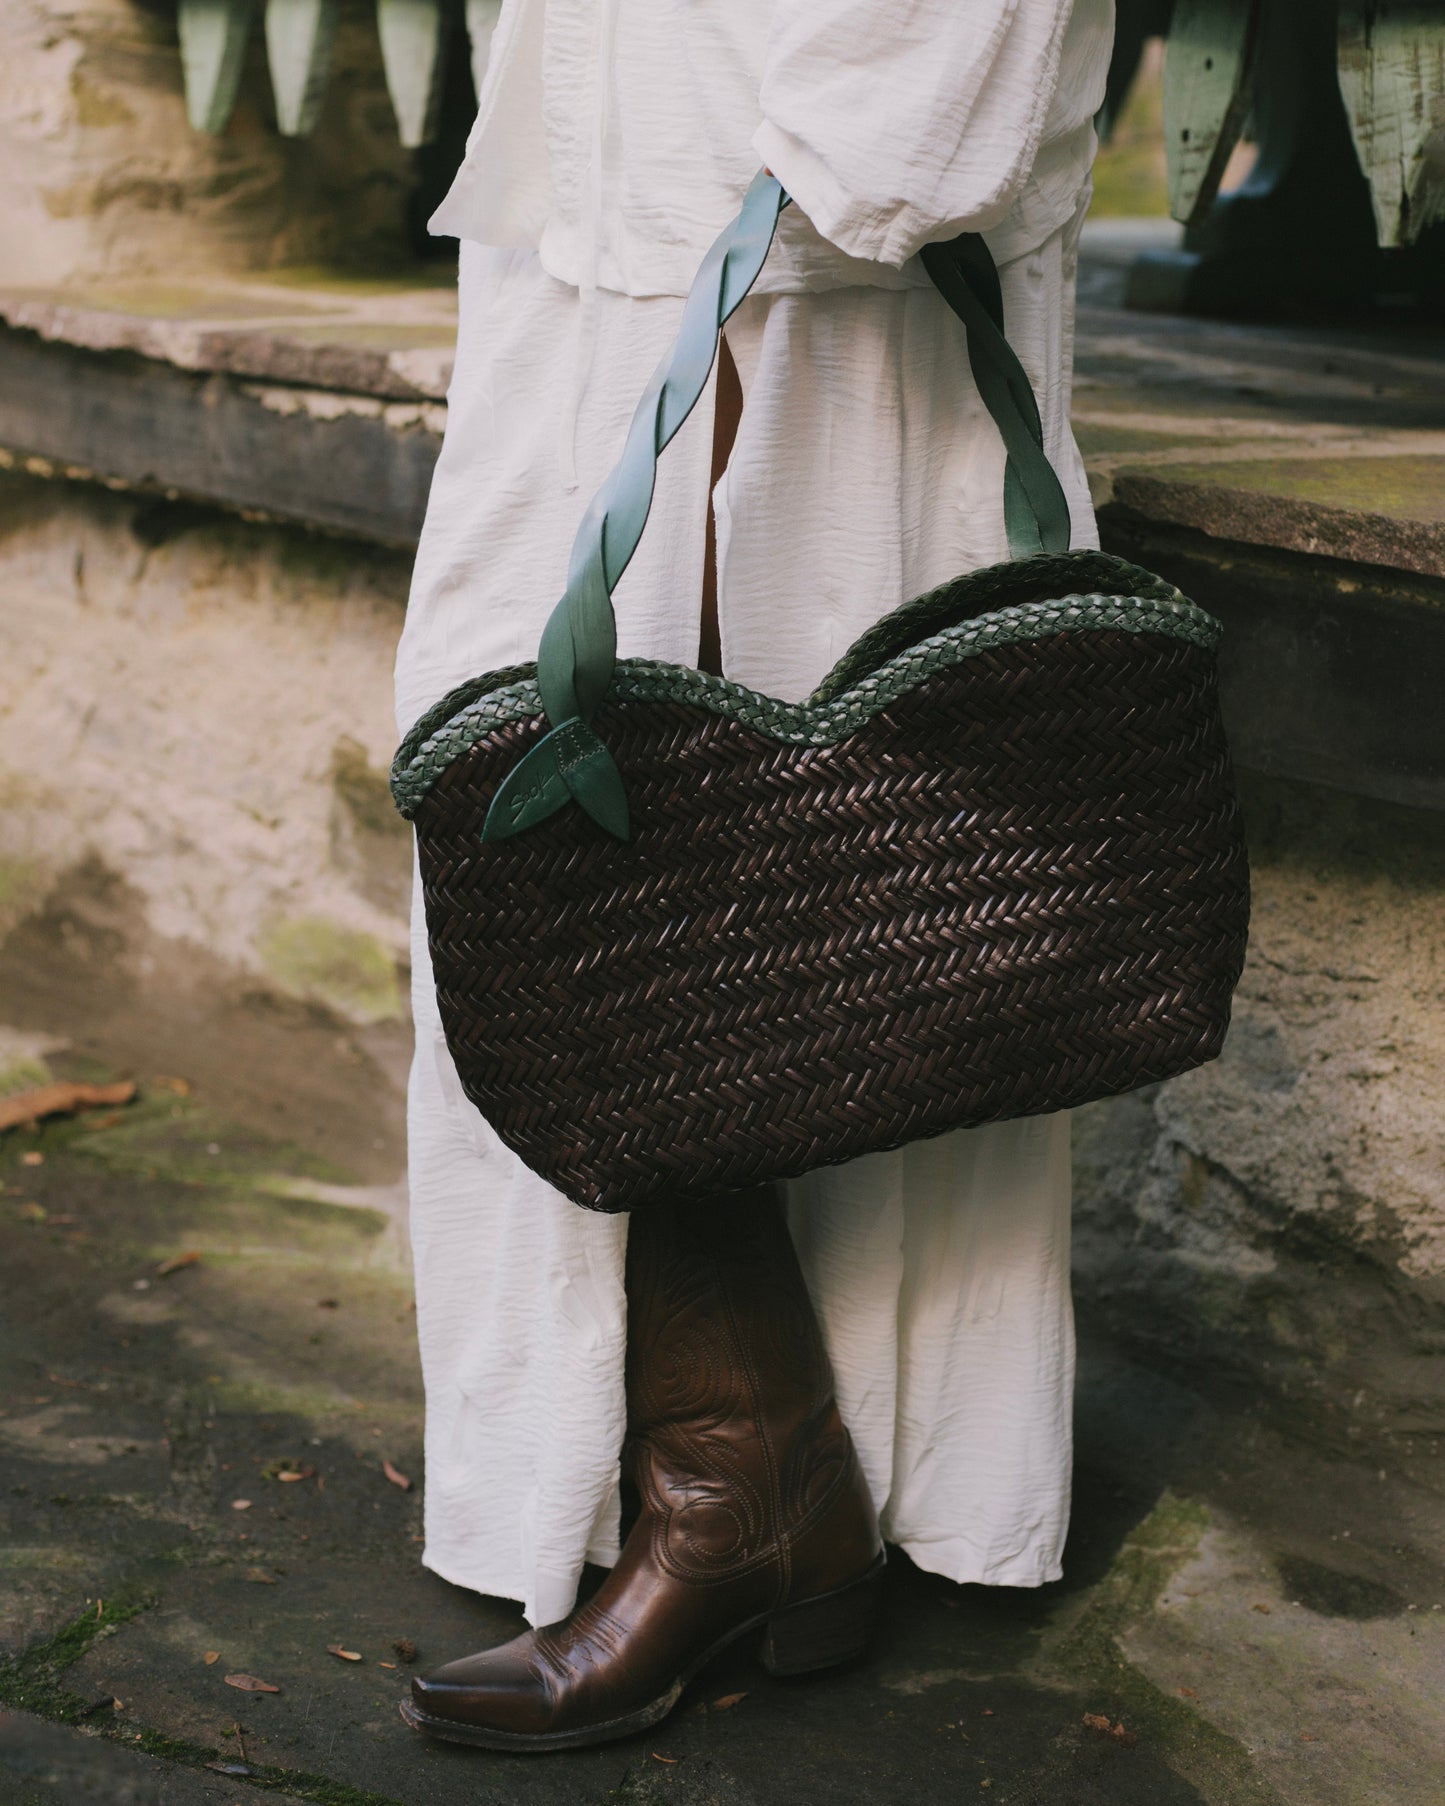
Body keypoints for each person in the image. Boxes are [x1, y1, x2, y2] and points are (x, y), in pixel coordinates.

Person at [394, 0, 1113, 1752]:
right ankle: (733, 1469)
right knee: (566, 882)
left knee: (791, 921)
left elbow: (913, 126)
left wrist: (731, 191)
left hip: (812, 327)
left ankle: (739, 1490)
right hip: (598, 284)